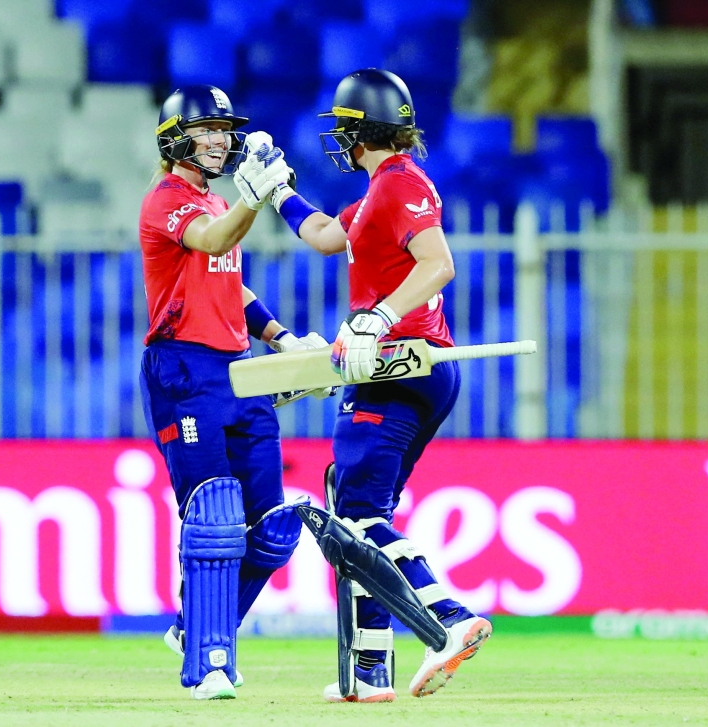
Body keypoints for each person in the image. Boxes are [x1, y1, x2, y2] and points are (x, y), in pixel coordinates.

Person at [269, 69, 492, 701]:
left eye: (344, 128)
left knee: (359, 517)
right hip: (410, 366)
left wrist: (379, 316)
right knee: (358, 513)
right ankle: (369, 670)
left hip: (398, 364)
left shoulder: (398, 185)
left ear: (360, 132)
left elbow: (438, 264)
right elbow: (324, 236)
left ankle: (447, 619)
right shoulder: (380, 191)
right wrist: (278, 192)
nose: (339, 140)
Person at [138, 84, 329, 700]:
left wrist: (283, 340)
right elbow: (214, 241)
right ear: (176, 139)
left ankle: (192, 626)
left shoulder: (217, 200)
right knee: (214, 515)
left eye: (225, 129)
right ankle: (210, 663)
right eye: (207, 129)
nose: (221, 140)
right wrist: (253, 197)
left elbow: (230, 285)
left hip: (239, 368)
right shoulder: (165, 201)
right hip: (183, 370)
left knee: (274, 528)